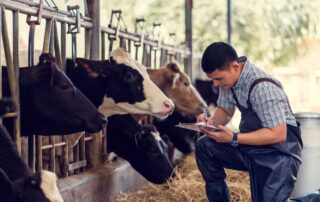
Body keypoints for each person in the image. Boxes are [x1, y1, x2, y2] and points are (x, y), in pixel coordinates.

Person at [195, 42, 303, 202]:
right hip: (252, 148)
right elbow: (225, 111)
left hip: (279, 154)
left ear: (235, 67)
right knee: (205, 146)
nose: (216, 84)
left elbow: (278, 134)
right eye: (213, 79)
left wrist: (233, 138)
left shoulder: (263, 87)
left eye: (218, 79)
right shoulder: (228, 82)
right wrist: (209, 123)